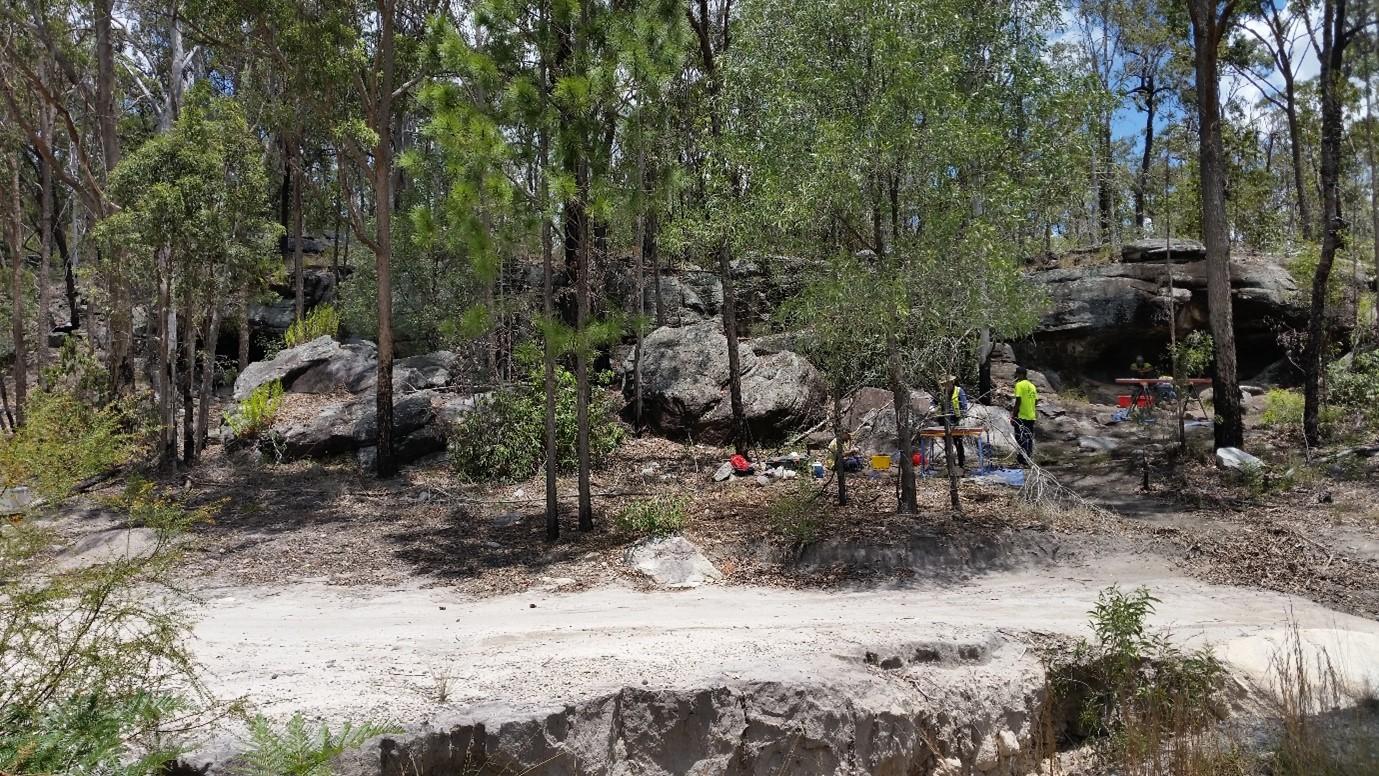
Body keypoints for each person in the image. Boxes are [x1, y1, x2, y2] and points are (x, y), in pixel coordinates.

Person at [940, 374, 969, 468]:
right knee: (947, 444)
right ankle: (950, 464)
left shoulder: (959, 391)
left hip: (956, 420)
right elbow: (935, 402)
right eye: (944, 384)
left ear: (952, 383)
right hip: (945, 421)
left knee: (958, 443)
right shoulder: (942, 392)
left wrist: (962, 415)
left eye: (947, 384)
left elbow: (964, 406)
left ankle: (961, 464)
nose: (946, 386)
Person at [1010, 367, 1038, 465]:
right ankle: (1028, 458)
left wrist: (1013, 415)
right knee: (1029, 438)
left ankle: (1022, 459)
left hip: (1021, 416)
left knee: (1020, 438)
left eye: (1017, 374)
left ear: (1020, 374)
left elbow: (1018, 401)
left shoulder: (1019, 385)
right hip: (1031, 416)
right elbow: (1035, 401)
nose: (1016, 376)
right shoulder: (1032, 386)